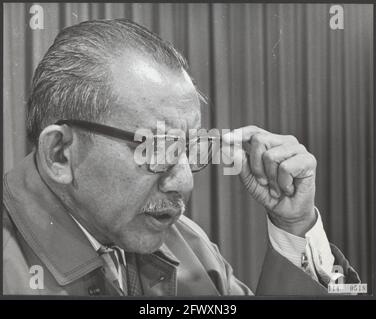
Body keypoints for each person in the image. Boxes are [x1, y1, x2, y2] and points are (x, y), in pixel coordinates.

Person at [3, 19, 359, 296]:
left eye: (190, 148)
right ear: (60, 154)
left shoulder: (188, 246)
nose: (185, 182)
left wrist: (293, 228)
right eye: (157, 148)